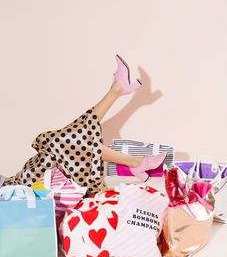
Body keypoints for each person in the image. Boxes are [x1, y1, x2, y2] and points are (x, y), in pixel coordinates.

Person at [1, 55, 166, 195]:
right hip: (22, 188)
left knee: (70, 145)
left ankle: (136, 161)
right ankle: (117, 92)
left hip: (21, 180)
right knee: (61, 143)